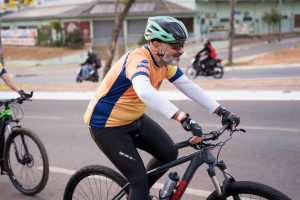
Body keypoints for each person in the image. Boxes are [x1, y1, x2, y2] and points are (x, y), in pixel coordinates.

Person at [84, 16, 240, 200]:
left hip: (133, 118)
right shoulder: (138, 60)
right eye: (176, 45)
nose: (181, 50)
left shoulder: (164, 62)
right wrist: (182, 117)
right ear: (156, 44)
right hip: (106, 126)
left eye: (182, 44)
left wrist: (221, 111)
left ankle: (138, 195)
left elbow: (188, 86)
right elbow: (145, 91)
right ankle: (139, 190)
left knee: (168, 153)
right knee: (138, 181)